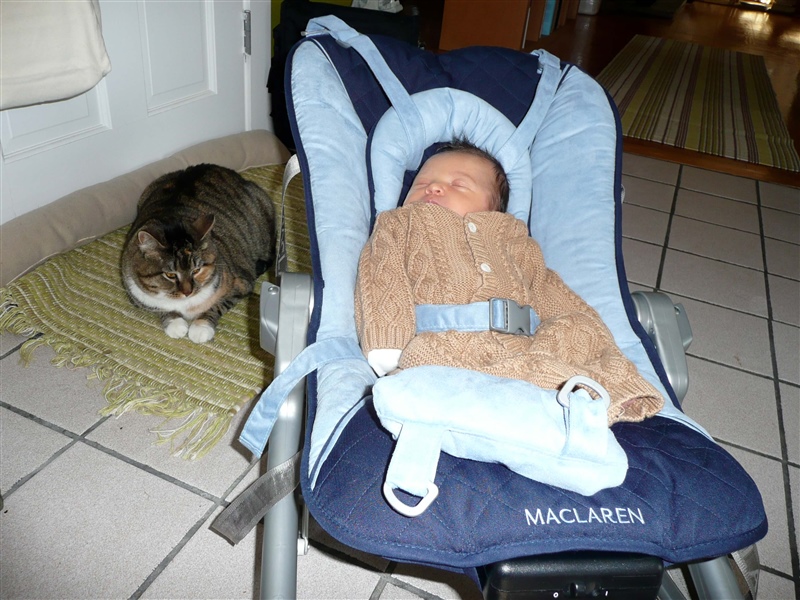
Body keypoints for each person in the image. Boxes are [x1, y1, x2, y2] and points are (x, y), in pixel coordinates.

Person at [354, 139, 663, 425]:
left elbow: (543, 285)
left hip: (525, 344)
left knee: (574, 329)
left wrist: (587, 335)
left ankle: (594, 394)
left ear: (493, 208)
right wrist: (388, 343)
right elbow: (382, 275)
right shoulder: (400, 223)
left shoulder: (513, 238)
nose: (433, 187)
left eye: (458, 184)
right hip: (446, 346)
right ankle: (551, 410)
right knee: (429, 372)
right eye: (421, 184)